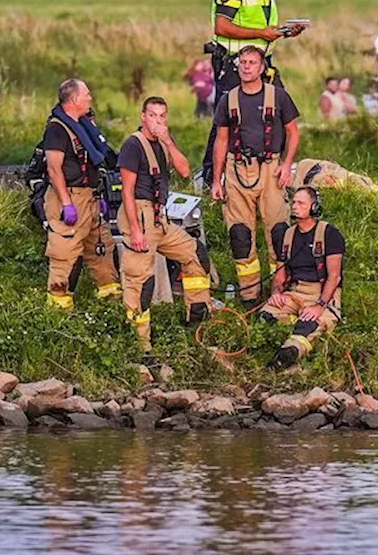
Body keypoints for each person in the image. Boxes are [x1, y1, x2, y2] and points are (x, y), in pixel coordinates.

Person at [201, 0, 307, 187]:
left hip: (263, 62)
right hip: (234, 64)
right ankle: (210, 178)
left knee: (280, 111)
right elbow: (223, 26)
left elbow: (261, 25)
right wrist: (261, 33)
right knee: (225, 119)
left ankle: (274, 171)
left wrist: (283, 31)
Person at [118, 97, 213, 358]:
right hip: (140, 214)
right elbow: (126, 191)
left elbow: (184, 171)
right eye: (152, 115)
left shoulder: (162, 143)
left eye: (162, 116)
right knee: (141, 281)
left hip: (161, 217)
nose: (157, 121)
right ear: (142, 117)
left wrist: (169, 141)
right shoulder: (133, 145)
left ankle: (196, 319)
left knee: (196, 255)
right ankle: (139, 344)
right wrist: (136, 230)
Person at [211, 45, 301, 306]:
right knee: (240, 235)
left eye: (252, 62)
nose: (246, 66)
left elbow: (293, 132)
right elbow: (221, 140)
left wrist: (287, 165)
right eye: (243, 62)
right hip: (237, 170)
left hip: (271, 169)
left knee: (279, 232)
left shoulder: (279, 96)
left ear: (262, 67)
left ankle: (279, 289)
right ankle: (250, 295)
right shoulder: (227, 100)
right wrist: (217, 180)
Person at [41, 78, 122, 310]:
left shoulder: (86, 127)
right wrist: (67, 203)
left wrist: (98, 197)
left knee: (101, 249)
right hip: (70, 197)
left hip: (91, 199)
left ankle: (109, 301)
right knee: (65, 254)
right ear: (75, 99)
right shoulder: (57, 129)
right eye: (87, 94)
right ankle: (59, 310)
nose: (90, 98)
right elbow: (54, 169)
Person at [263, 187, 346, 371]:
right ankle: (292, 321)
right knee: (264, 317)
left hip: (321, 294)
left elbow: (335, 276)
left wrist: (320, 305)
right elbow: (280, 273)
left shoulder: (329, 234)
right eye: (293, 202)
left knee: (306, 329)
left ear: (314, 207)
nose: (294, 206)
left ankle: (289, 353)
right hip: (294, 292)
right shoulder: (288, 235)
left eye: (300, 203)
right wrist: (276, 293)